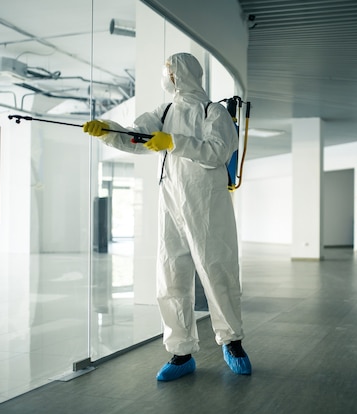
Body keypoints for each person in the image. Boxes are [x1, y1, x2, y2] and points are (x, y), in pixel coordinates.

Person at [83, 52, 251, 381]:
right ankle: (180, 352)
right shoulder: (166, 111)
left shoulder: (212, 112)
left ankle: (232, 342)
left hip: (206, 202)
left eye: (169, 70)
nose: (167, 76)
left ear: (182, 74)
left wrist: (173, 142)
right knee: (170, 275)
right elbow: (136, 138)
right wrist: (106, 130)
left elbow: (217, 152)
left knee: (217, 270)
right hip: (171, 199)